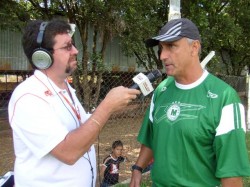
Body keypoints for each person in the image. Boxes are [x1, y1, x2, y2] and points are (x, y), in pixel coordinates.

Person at [8, 18, 140, 187]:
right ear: (42, 57)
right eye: (67, 46)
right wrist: (106, 106)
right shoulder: (29, 97)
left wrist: (115, 106)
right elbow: (68, 152)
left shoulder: (65, 89)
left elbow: (83, 128)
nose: (76, 50)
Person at [129, 18, 250, 187]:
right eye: (162, 48)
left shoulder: (225, 98)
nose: (163, 56)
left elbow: (232, 175)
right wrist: (137, 167)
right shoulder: (161, 90)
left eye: (171, 46)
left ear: (194, 48)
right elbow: (151, 137)